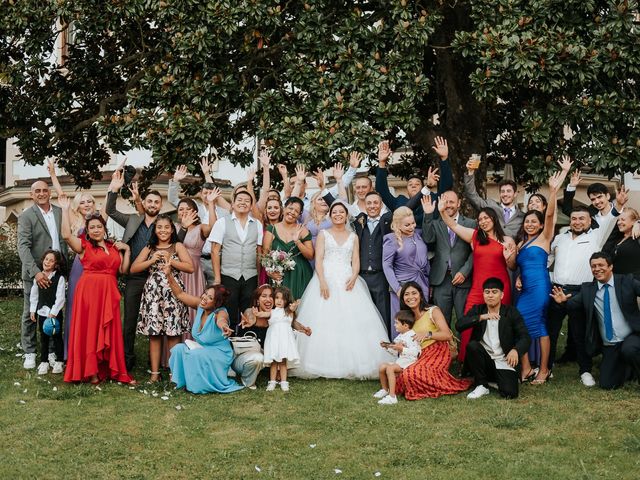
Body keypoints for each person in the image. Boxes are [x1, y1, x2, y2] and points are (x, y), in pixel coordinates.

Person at [294, 200, 394, 379]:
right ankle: (321, 362)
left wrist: (355, 275)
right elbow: (319, 259)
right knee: (324, 318)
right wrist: (322, 281)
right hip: (326, 278)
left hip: (347, 278)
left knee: (352, 320)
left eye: (341, 212)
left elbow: (356, 259)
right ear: (330, 216)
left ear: (346, 215)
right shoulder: (324, 234)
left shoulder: (353, 236)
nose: (338, 215)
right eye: (334, 212)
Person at [547, 187, 626, 386]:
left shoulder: (596, 237)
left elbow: (610, 220)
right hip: (556, 289)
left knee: (580, 332)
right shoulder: (560, 238)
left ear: (589, 221)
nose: (577, 222)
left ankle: (585, 370)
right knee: (551, 331)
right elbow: (548, 260)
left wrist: (619, 205)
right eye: (574, 219)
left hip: (581, 291)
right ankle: (547, 367)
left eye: (582, 218)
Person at [59, 194, 133, 384]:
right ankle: (91, 372)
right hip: (90, 292)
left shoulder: (113, 247)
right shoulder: (83, 247)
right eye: (92, 228)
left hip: (110, 292)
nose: (96, 230)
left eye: (99, 226)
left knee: (109, 329)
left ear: (104, 228)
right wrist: (66, 210)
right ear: (88, 231)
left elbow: (123, 270)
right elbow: (66, 235)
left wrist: (127, 250)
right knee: (91, 330)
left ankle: (107, 369)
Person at [47, 159, 112, 360]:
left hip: (99, 269)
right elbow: (62, 197)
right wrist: (53, 176)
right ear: (77, 206)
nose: (86, 204)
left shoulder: (99, 221)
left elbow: (110, 203)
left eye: (90, 201)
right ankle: (73, 352)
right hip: (80, 268)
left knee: (96, 309)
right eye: (82, 202)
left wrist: (113, 186)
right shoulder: (73, 220)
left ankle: (97, 349)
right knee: (77, 307)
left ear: (94, 204)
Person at [439, 203, 517, 363]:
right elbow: (453, 224)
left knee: (499, 324)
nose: (483, 222)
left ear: (493, 219)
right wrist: (441, 211)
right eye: (480, 219)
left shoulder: (507, 240)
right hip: (478, 288)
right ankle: (466, 362)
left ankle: (498, 360)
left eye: (486, 218)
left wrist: (509, 257)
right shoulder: (474, 237)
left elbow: (513, 266)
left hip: (500, 287)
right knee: (469, 322)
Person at [551, 252, 640, 389]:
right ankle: (628, 368)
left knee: (630, 349)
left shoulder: (626, 281)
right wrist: (562, 302)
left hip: (631, 336)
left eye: (601, 265)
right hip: (610, 344)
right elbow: (573, 304)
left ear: (610, 266)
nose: (597, 269)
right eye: (593, 266)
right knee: (607, 384)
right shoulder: (588, 289)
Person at [106, 169, 162, 371]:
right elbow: (111, 211)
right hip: (134, 277)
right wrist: (114, 189)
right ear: (144, 204)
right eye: (150, 201)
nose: (153, 205)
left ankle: (156, 362)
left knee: (157, 320)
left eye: (156, 202)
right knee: (129, 321)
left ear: (160, 206)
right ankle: (126, 360)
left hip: (157, 278)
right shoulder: (132, 220)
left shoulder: (164, 225)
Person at [131, 215, 194, 383]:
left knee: (174, 333)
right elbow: (134, 268)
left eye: (167, 227)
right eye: (159, 227)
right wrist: (152, 259)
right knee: (154, 334)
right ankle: (154, 373)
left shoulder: (177, 246)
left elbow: (190, 267)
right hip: (153, 295)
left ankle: (175, 374)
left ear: (172, 229)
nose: (163, 230)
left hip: (173, 292)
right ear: (155, 229)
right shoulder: (149, 247)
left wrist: (171, 262)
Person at [513, 172, 562, 384]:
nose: (530, 224)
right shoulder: (520, 243)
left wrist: (553, 192)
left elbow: (550, 215)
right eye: (527, 221)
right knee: (520, 324)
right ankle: (526, 368)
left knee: (540, 326)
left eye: (534, 221)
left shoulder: (544, 238)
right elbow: (515, 265)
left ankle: (543, 369)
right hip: (525, 290)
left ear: (541, 225)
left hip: (540, 287)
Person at [164, 264, 244, 394]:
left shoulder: (220, 312)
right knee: (178, 349)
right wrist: (168, 274)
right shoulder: (200, 305)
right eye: (205, 294)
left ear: (217, 303)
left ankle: (196, 386)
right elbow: (179, 294)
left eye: (210, 298)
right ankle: (180, 382)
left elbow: (221, 320)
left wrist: (224, 326)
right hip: (203, 349)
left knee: (195, 354)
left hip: (220, 353)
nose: (204, 298)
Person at [17, 180, 68, 370]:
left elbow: (63, 241)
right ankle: (30, 352)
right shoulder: (26, 216)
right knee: (30, 313)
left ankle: (53, 352)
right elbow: (23, 247)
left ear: (49, 193)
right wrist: (36, 273)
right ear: (32, 194)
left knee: (55, 312)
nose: (41, 193)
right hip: (36, 273)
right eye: (37, 191)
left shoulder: (58, 212)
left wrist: (65, 270)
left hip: (57, 272)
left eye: (44, 190)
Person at [394, 282, 473, 399]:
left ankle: (440, 382)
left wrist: (428, 334)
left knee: (409, 374)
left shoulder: (432, 311)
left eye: (414, 293)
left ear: (420, 295)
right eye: (406, 294)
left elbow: (447, 335)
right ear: (403, 298)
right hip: (418, 354)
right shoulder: (406, 318)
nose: (411, 297)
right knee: (398, 375)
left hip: (438, 350)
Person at [457, 278, 531, 399]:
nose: (490, 295)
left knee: (510, 393)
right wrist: (482, 317)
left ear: (502, 295)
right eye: (487, 292)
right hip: (484, 360)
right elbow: (459, 325)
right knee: (473, 346)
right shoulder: (478, 310)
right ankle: (482, 384)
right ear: (483, 294)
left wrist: (516, 350)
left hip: (504, 360)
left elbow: (525, 337)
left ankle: (493, 381)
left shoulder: (511, 312)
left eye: (494, 292)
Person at [236, 285, 311, 389]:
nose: (268, 299)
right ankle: (255, 380)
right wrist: (251, 319)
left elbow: (292, 322)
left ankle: (281, 378)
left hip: (272, 350)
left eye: (271, 296)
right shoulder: (253, 311)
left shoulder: (278, 313)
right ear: (257, 300)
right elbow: (251, 314)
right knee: (260, 358)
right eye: (264, 296)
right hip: (248, 356)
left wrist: (303, 328)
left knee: (282, 352)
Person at [209, 189, 263, 327]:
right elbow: (215, 251)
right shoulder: (222, 222)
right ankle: (229, 343)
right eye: (239, 200)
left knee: (249, 311)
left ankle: (246, 342)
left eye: (247, 201)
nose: (243, 203)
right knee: (229, 311)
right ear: (232, 204)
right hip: (228, 274)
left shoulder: (257, 224)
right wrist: (217, 278)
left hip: (250, 275)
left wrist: (258, 277)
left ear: (251, 206)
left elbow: (259, 253)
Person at [421, 191, 476, 326]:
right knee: (442, 322)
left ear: (459, 203)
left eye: (451, 202)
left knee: (464, 320)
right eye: (445, 202)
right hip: (441, 280)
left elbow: (475, 252)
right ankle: (445, 348)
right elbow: (428, 239)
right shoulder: (435, 223)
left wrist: (465, 271)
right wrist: (428, 214)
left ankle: (463, 347)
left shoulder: (471, 223)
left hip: (463, 279)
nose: (448, 205)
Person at [376, 137, 453, 225]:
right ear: (407, 189)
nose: (413, 186)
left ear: (422, 187)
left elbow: (446, 187)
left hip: (429, 237)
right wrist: (381, 163)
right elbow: (381, 190)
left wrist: (444, 159)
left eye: (417, 184)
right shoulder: (399, 201)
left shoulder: (433, 199)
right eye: (410, 184)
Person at [383, 206, 430, 337]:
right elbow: (387, 266)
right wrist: (397, 288)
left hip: (421, 285)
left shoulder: (419, 235)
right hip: (402, 288)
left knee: (421, 320)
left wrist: (428, 283)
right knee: (403, 322)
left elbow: (425, 260)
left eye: (413, 223)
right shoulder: (391, 240)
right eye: (407, 225)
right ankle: (401, 354)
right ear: (397, 224)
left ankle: (423, 355)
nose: (412, 227)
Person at [176, 196, 217, 335]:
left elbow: (213, 227)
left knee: (194, 307)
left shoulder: (201, 228)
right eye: (181, 209)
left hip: (193, 273)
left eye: (188, 209)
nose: (184, 212)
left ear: (195, 212)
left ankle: (193, 341)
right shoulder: (174, 228)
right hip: (176, 271)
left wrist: (210, 203)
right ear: (177, 213)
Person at [352, 191, 393, 330]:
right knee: (363, 315)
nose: (372, 206)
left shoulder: (388, 221)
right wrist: (324, 189)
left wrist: (426, 189)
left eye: (376, 203)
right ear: (365, 204)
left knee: (383, 314)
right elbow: (339, 209)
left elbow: (405, 209)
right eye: (369, 203)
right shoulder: (358, 222)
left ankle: (385, 348)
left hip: (380, 276)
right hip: (361, 277)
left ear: (381, 205)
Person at [262, 197, 314, 299]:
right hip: (279, 276)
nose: (292, 212)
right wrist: (270, 272)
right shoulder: (271, 230)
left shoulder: (303, 231)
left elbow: (310, 255)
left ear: (299, 215)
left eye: (296, 211)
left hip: (299, 275)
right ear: (284, 209)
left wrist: (297, 241)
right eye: (290, 208)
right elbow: (265, 254)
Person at [262, 287, 309, 392]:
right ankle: (272, 382)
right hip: (274, 340)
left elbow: (292, 309)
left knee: (283, 362)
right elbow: (263, 314)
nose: (279, 301)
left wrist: (295, 306)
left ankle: (284, 382)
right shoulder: (272, 312)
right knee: (274, 362)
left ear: (286, 301)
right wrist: (257, 313)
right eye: (277, 298)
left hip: (284, 341)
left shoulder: (288, 313)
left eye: (282, 299)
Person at [463, 159, 524, 237]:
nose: (505, 194)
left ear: (515, 194)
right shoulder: (491, 206)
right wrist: (470, 172)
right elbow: (472, 196)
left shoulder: (522, 216)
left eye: (508, 191)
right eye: (502, 191)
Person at [29, 250, 65, 375]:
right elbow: (34, 295)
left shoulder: (59, 278)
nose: (47, 262)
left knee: (57, 337)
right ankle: (44, 361)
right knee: (44, 338)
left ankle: (59, 361)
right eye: (46, 259)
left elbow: (60, 297)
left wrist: (54, 312)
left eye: (51, 260)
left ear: (56, 264)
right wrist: (33, 310)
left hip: (54, 314)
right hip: (42, 313)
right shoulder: (38, 277)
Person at [374, 310, 421, 405]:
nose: (394, 325)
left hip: (409, 363)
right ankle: (385, 389)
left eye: (396, 323)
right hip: (401, 362)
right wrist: (387, 347)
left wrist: (402, 349)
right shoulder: (400, 336)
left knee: (390, 368)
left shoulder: (412, 336)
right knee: (382, 366)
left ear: (405, 326)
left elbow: (416, 353)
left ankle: (392, 396)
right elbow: (395, 353)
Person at [612, 208, 640, 280]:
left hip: (632, 285)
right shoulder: (618, 239)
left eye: (623, 220)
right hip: (615, 283)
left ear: (633, 221)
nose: (619, 222)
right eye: (618, 220)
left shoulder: (638, 237)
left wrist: (639, 222)